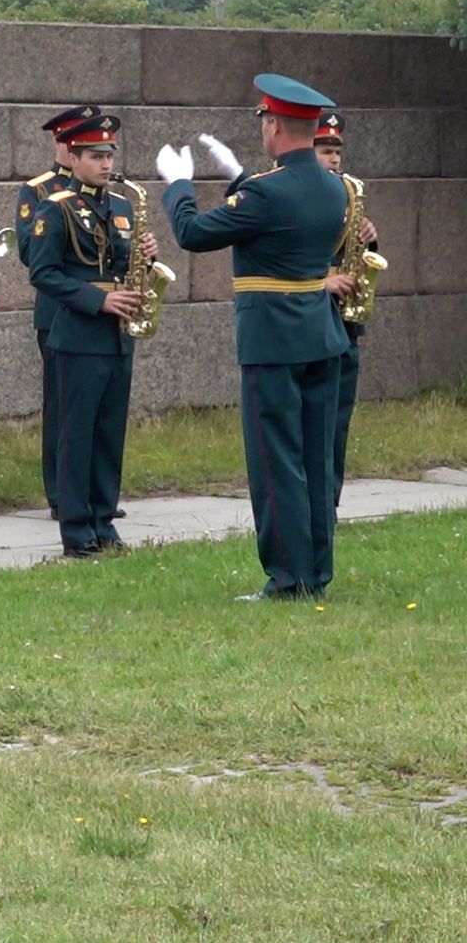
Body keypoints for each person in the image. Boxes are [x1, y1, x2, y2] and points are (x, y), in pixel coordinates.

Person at [159, 74, 350, 601]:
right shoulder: (334, 186)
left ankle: (289, 578)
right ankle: (317, 572)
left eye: (264, 120)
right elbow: (278, 214)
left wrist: (178, 186)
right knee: (316, 460)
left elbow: (193, 234)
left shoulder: (267, 191)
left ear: (273, 125)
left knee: (276, 464)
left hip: (273, 338)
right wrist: (242, 178)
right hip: (320, 332)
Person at [27, 115, 158, 559]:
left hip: (118, 334)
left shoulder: (121, 207)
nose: (105, 164)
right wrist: (95, 300)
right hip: (79, 333)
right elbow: (43, 273)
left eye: (109, 156)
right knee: (77, 433)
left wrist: (145, 256)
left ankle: (105, 521)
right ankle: (77, 529)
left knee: (109, 433)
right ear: (74, 158)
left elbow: (122, 264)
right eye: (96, 157)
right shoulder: (55, 207)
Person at [16, 105, 102, 522]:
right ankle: (59, 494)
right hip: (57, 312)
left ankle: (92, 494)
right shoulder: (39, 191)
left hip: (103, 318)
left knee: (98, 410)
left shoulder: (109, 195)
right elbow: (30, 253)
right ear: (62, 145)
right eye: (75, 143)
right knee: (62, 406)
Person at [312, 112, 379, 505]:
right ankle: (314, 504)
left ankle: (329, 502)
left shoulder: (348, 196)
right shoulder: (293, 196)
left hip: (345, 321)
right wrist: (323, 282)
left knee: (338, 423)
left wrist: (369, 240)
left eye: (337, 151)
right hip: (311, 318)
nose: (334, 159)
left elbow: (356, 257)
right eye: (325, 151)